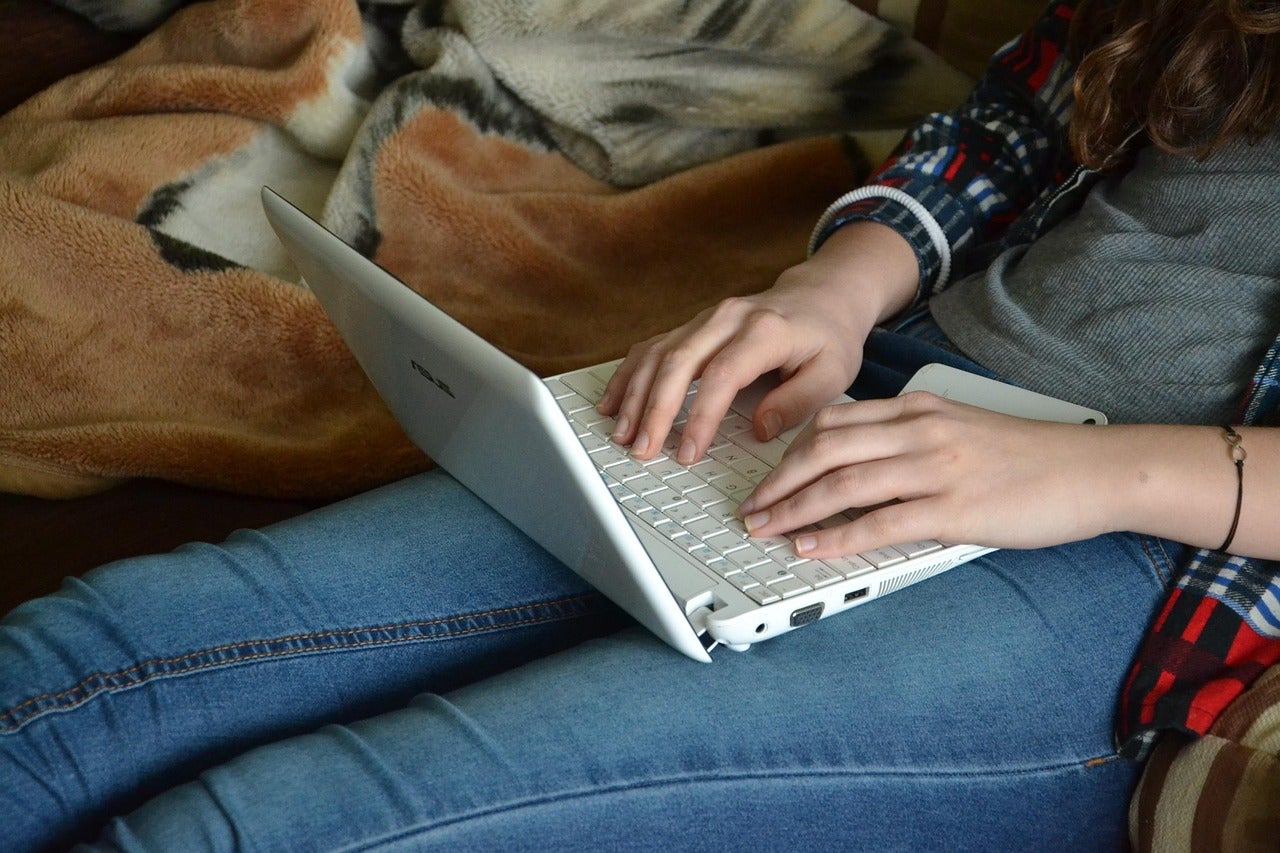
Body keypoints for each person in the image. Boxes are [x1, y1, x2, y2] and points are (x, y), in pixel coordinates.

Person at [3, 0, 1278, 849]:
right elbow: (1019, 125)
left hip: (1148, 561)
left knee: (281, 822)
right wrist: (832, 292)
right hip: (889, 382)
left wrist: (1087, 473)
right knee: (94, 657)